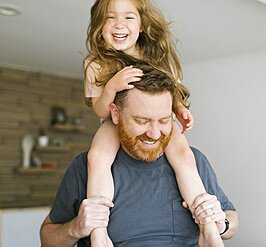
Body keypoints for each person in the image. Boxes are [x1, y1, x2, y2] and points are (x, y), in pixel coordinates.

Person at [40, 63, 239, 247]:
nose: (154, 134)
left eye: (163, 121)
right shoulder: (85, 167)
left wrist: (221, 224)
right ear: (116, 114)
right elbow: (47, 238)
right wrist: (77, 227)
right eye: (142, 121)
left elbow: (232, 218)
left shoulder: (193, 161)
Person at [83, 0, 221, 245]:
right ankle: (98, 232)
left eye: (128, 18)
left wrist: (179, 109)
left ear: (143, 25)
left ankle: (207, 224)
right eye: (110, 18)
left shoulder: (155, 55)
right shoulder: (96, 63)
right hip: (112, 122)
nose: (119, 25)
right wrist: (112, 86)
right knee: (96, 158)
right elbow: (100, 109)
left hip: (154, 118)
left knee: (184, 156)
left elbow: (169, 92)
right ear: (99, 25)